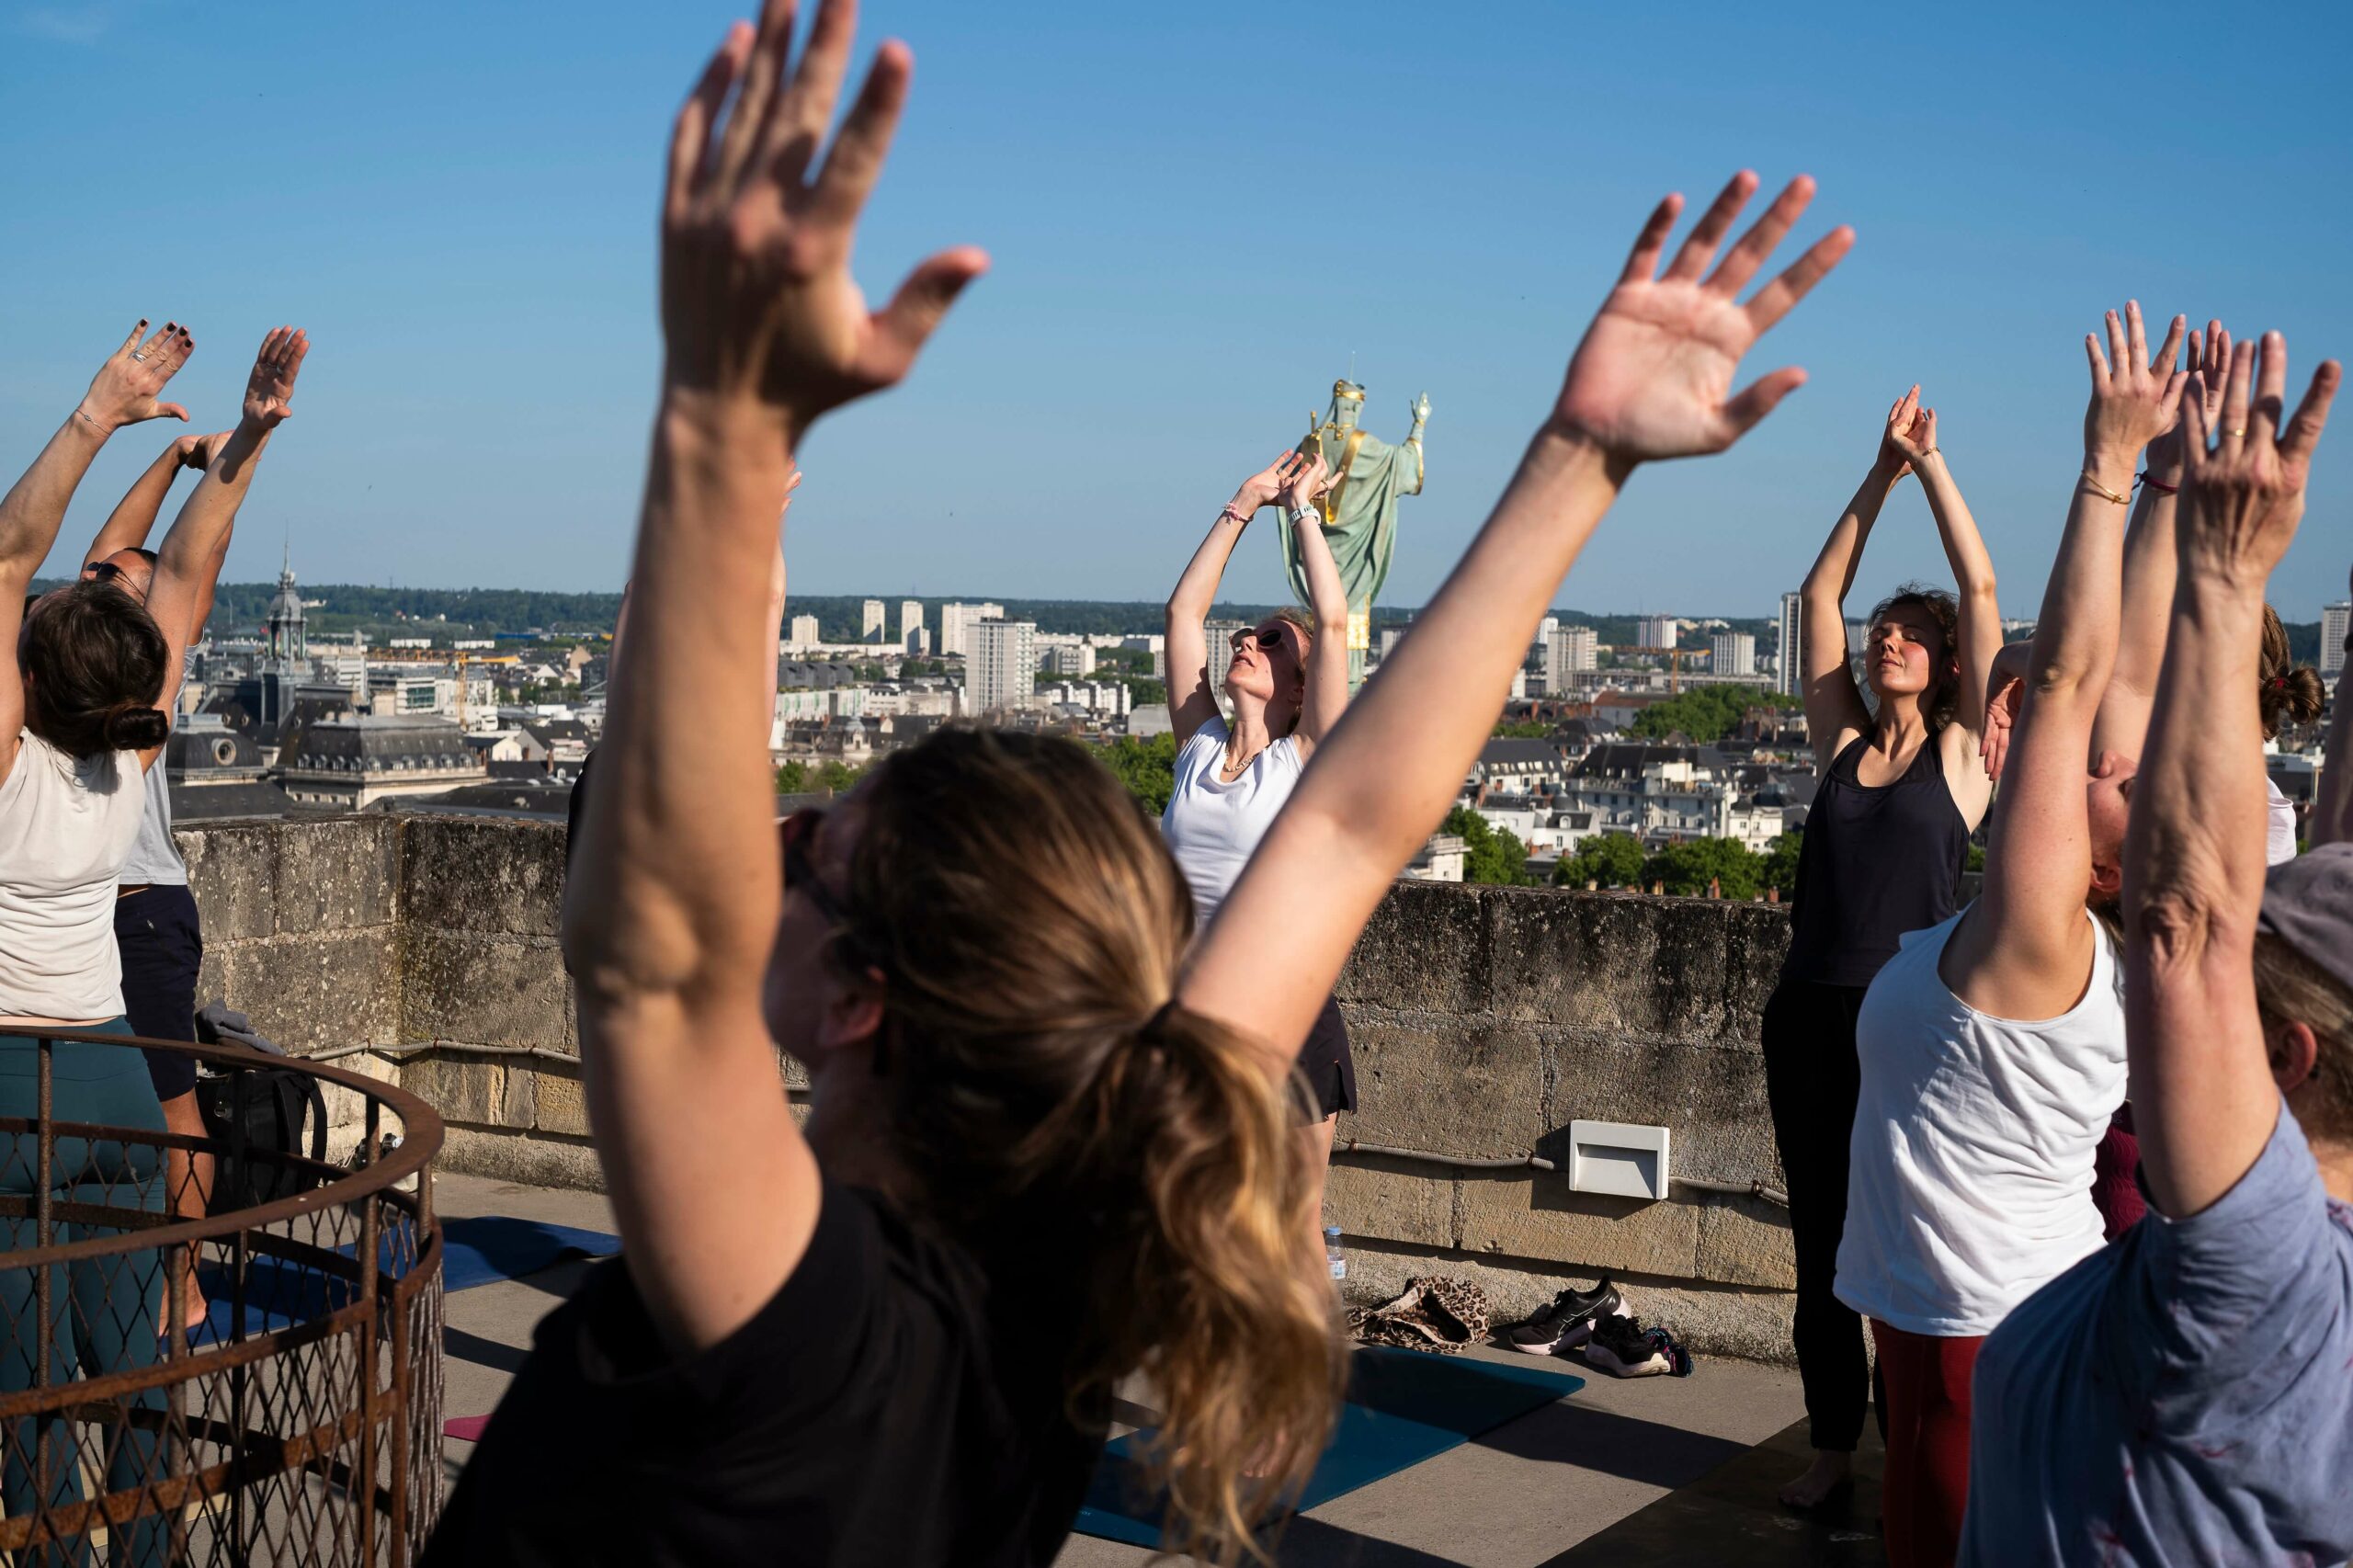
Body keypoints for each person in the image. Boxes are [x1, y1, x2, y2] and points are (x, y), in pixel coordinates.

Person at [420, 5, 1851, 1561]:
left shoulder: (797, 1310)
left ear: (858, 1000)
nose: (776, 829)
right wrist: (1580, 459)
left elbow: (655, 962)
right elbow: (1357, 824)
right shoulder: (1084, 1232)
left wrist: (724, 412)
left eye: (820, 844)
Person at [1961, 335, 2349, 1565]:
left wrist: (2226, 579)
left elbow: (2189, 923)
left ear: (2282, 1056)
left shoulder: (2266, 1279)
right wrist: (2170, 501)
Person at [1832, 304, 2188, 1568]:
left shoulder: (2042, 947)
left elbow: (2084, 683)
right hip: (1946, 1321)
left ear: (2095, 851)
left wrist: (2103, 471)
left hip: (1987, 1333)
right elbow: (2121, 668)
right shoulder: (2038, 933)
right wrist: (2162, 481)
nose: (2094, 758)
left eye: (2106, 774)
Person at [1766, 382, 2002, 1509]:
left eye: (1909, 636)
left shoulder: (1961, 757)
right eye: (1881, 634)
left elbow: (1981, 588)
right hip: (1809, 1007)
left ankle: (1920, 1433)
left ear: (1946, 662)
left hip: (1909, 1021)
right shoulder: (1840, 744)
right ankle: (1830, 1445)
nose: (1886, 639)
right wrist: (1877, 474)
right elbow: (1819, 591)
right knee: (1819, 1239)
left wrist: (1934, 469)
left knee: (1907, 1234)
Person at [0, 318, 202, 1568]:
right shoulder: (132, 760)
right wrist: (232, 457)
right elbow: (188, 572)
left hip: (8, 1081)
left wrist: (97, 415)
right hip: (117, 1074)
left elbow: (9, 547)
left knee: (22, 1390)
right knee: (134, 1378)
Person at [70, 350, 299, 1335]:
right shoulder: (88, 650)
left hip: (141, 909)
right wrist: (174, 453)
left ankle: (183, 1276)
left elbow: (188, 557)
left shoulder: (140, 680)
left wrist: (232, 454)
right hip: (101, 909)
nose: (97, 577)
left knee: (171, 1107)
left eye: (116, 582)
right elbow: (119, 555)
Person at [1162, 445, 1353, 1234]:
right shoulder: (1198, 744)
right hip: (1191, 1011)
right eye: (1248, 634)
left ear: (1302, 689)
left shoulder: (1304, 759)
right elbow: (1182, 617)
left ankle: (1308, 1359)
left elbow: (1335, 623)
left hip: (1290, 1016)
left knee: (1291, 1222)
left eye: (1273, 641)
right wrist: (1241, 503)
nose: (1248, 641)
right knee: (1185, 1211)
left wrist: (1303, 509)